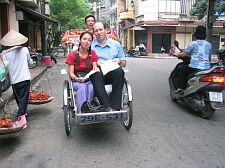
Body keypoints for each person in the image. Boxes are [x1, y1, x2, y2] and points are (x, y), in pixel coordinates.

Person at [0, 29, 33, 129]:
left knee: (19, 98)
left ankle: (23, 114)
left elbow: (4, 68)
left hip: (14, 81)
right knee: (23, 98)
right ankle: (21, 118)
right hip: (25, 79)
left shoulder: (6, 54)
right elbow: (30, 63)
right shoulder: (25, 50)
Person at [90, 22, 126, 111]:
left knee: (119, 71)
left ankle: (115, 107)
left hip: (112, 72)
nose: (99, 32)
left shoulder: (116, 44)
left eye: (101, 29)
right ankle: (106, 106)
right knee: (95, 74)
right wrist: (96, 63)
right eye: (96, 31)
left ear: (105, 30)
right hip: (98, 72)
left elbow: (124, 63)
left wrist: (119, 61)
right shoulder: (90, 45)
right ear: (94, 33)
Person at [65, 31, 99, 113]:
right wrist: (76, 78)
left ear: (91, 43)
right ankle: (80, 111)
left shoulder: (93, 54)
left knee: (91, 88)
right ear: (80, 40)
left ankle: (88, 108)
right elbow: (71, 73)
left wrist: (96, 68)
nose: (87, 41)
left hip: (89, 79)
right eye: (84, 39)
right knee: (82, 87)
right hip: (76, 80)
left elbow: (95, 67)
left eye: (89, 40)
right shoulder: (72, 55)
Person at [171, 26, 212, 93]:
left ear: (196, 34)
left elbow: (184, 54)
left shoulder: (193, 43)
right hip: (206, 68)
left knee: (182, 70)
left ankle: (180, 88)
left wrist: (177, 54)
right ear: (205, 34)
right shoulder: (209, 44)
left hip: (195, 67)